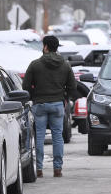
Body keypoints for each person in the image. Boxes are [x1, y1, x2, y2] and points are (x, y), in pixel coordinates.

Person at [22, 35, 77, 177]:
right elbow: (72, 87)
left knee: (39, 136)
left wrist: (34, 96)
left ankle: (38, 169)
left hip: (39, 105)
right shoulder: (65, 65)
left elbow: (25, 86)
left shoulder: (35, 64)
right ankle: (57, 169)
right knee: (57, 136)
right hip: (58, 104)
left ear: (45, 46)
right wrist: (64, 97)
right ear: (56, 47)